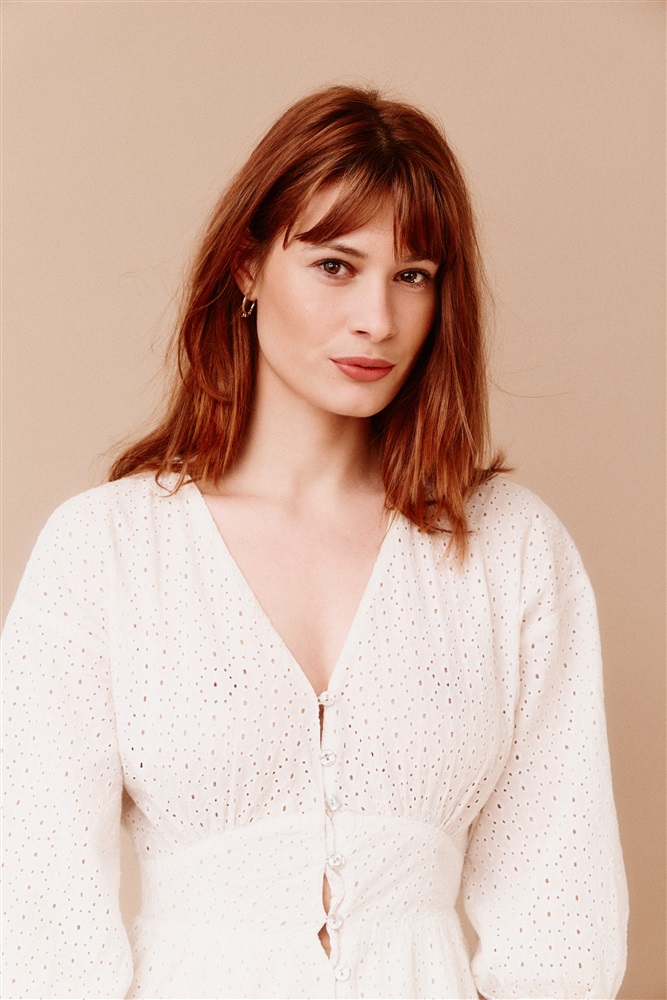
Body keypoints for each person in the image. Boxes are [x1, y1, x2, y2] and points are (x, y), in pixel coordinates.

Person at [2, 85, 628, 1000]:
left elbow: (557, 920)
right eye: (336, 265)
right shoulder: (106, 553)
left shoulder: (509, 550)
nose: (377, 318)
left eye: (412, 275)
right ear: (247, 267)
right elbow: (38, 923)